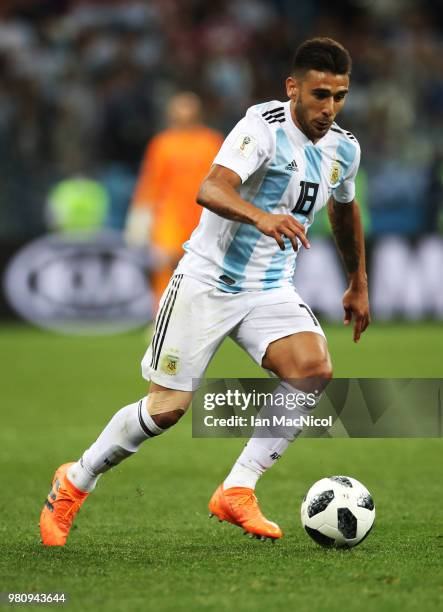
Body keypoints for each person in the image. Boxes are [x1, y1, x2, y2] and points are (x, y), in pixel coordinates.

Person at [40, 37, 370, 545]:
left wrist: (357, 281)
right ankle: (74, 481)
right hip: (205, 281)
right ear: (293, 88)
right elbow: (211, 188)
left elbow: (343, 210)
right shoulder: (262, 127)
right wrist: (262, 217)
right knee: (166, 409)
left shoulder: (344, 148)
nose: (328, 108)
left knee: (312, 368)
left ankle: (238, 488)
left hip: (269, 288)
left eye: (339, 96)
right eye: (319, 94)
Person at [125, 91, 224, 304]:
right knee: (165, 264)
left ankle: (200, 314)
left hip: (204, 214)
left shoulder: (211, 141)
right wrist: (140, 216)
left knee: (204, 267)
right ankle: (162, 312)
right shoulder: (162, 144)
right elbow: (150, 182)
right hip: (169, 216)